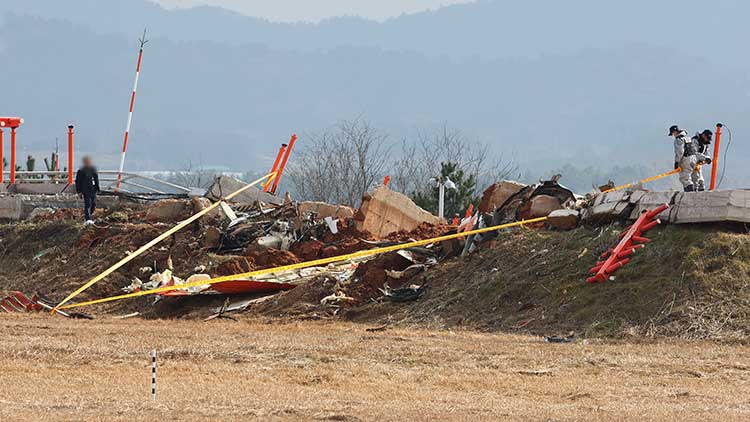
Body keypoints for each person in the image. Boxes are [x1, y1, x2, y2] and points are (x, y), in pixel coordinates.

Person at [669, 125, 711, 192]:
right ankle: (697, 192)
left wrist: (677, 162)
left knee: (685, 178)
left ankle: (689, 194)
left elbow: (680, 152)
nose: (673, 135)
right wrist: (705, 158)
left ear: (674, 132)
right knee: (695, 177)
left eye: (673, 134)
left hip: (686, 160)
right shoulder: (688, 139)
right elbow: (695, 152)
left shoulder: (678, 140)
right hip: (694, 159)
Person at [75, 156, 100, 224]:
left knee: (94, 204)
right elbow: (78, 181)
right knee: (88, 204)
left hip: (93, 190)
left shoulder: (93, 169)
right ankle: (87, 219)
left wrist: (98, 189)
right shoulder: (81, 171)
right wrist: (79, 191)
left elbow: (96, 179)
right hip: (85, 190)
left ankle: (89, 215)